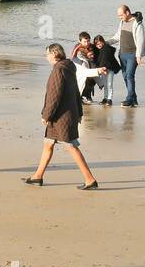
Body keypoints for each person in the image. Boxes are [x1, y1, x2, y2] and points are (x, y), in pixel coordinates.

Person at [22, 43, 98, 190]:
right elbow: (76, 91)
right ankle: (37, 176)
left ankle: (90, 179)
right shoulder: (68, 67)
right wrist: (79, 112)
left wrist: (46, 115)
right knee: (48, 143)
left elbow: (54, 95)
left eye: (47, 54)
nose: (47, 57)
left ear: (54, 54)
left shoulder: (59, 70)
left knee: (71, 146)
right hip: (64, 115)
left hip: (61, 117)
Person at [110, 5, 145, 107]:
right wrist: (107, 43)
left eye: (121, 15)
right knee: (125, 77)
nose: (119, 17)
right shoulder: (122, 22)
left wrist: (138, 56)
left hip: (132, 55)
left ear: (127, 12)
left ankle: (129, 99)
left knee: (130, 76)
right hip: (122, 54)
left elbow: (140, 41)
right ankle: (134, 99)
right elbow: (118, 36)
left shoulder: (137, 23)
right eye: (118, 16)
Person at [70, 31, 98, 101]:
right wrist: (81, 62)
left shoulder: (92, 46)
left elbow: (98, 55)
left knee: (92, 80)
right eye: (84, 41)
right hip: (82, 64)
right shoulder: (77, 47)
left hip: (92, 64)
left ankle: (88, 95)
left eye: (88, 41)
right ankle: (80, 96)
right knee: (82, 80)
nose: (87, 43)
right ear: (80, 41)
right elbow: (73, 57)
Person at [93, 34, 120, 106]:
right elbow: (99, 61)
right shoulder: (98, 50)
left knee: (109, 84)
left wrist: (104, 68)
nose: (98, 45)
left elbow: (107, 60)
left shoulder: (107, 48)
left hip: (110, 68)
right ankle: (105, 98)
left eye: (99, 43)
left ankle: (109, 99)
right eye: (96, 44)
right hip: (103, 69)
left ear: (103, 41)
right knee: (105, 84)